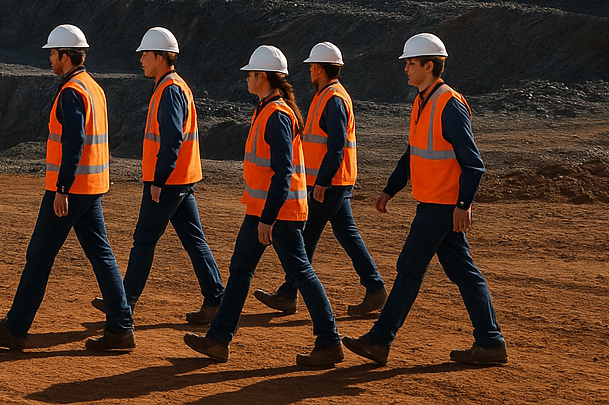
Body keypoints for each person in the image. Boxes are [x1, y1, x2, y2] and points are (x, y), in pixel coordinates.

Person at [343, 34, 508, 367]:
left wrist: (463, 206)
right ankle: (490, 343)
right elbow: (414, 152)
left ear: (429, 65)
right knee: (464, 273)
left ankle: (380, 340)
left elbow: (473, 163)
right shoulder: (423, 101)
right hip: (434, 203)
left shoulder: (449, 103)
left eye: (411, 63)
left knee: (408, 270)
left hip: (442, 207)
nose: (405, 69)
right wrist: (391, 189)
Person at [0, 24, 136, 353]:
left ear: (66, 55)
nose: (50, 59)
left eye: (52, 53)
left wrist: (62, 187)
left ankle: (16, 328)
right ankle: (120, 327)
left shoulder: (72, 91)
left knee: (39, 256)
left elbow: (74, 142)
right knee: (101, 255)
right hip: (91, 186)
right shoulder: (93, 87)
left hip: (71, 188)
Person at [184, 46, 343, 368]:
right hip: (262, 210)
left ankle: (329, 341)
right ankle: (218, 339)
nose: (246, 77)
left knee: (301, 273)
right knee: (240, 270)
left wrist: (267, 219)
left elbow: (284, 172)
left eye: (251, 73)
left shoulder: (277, 115)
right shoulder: (266, 109)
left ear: (264, 77)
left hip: (278, 214)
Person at [93, 27, 224, 324]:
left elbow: (172, 138)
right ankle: (216, 299)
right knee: (194, 240)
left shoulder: (170, 89)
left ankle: (124, 303)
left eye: (145, 54)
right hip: (180, 179)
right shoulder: (171, 86)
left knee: (144, 239)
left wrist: (158, 180)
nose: (140, 59)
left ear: (161, 57)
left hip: (169, 181)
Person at [253, 42, 386, 318]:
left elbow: (336, 146)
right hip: (334, 181)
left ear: (320, 68)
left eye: (312, 66)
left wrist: (323, 182)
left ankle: (290, 293)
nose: (310, 70)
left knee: (304, 238)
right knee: (344, 234)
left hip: (330, 184)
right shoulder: (327, 95)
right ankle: (374, 287)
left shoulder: (333, 98)